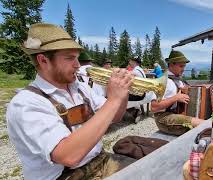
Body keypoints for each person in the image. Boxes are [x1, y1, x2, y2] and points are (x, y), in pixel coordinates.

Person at [6, 23, 136, 180]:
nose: (77, 64)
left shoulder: (80, 88)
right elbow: (68, 155)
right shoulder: (26, 103)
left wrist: (123, 93)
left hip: (99, 161)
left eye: (77, 58)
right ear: (43, 60)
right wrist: (113, 100)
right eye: (70, 58)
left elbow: (116, 117)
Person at [150, 50, 204, 136]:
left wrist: (209, 97)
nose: (183, 69)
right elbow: (154, 107)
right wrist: (175, 98)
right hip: (164, 117)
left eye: (184, 66)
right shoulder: (163, 81)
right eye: (181, 66)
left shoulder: (180, 81)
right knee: (203, 125)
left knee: (205, 119)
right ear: (171, 64)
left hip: (178, 113)